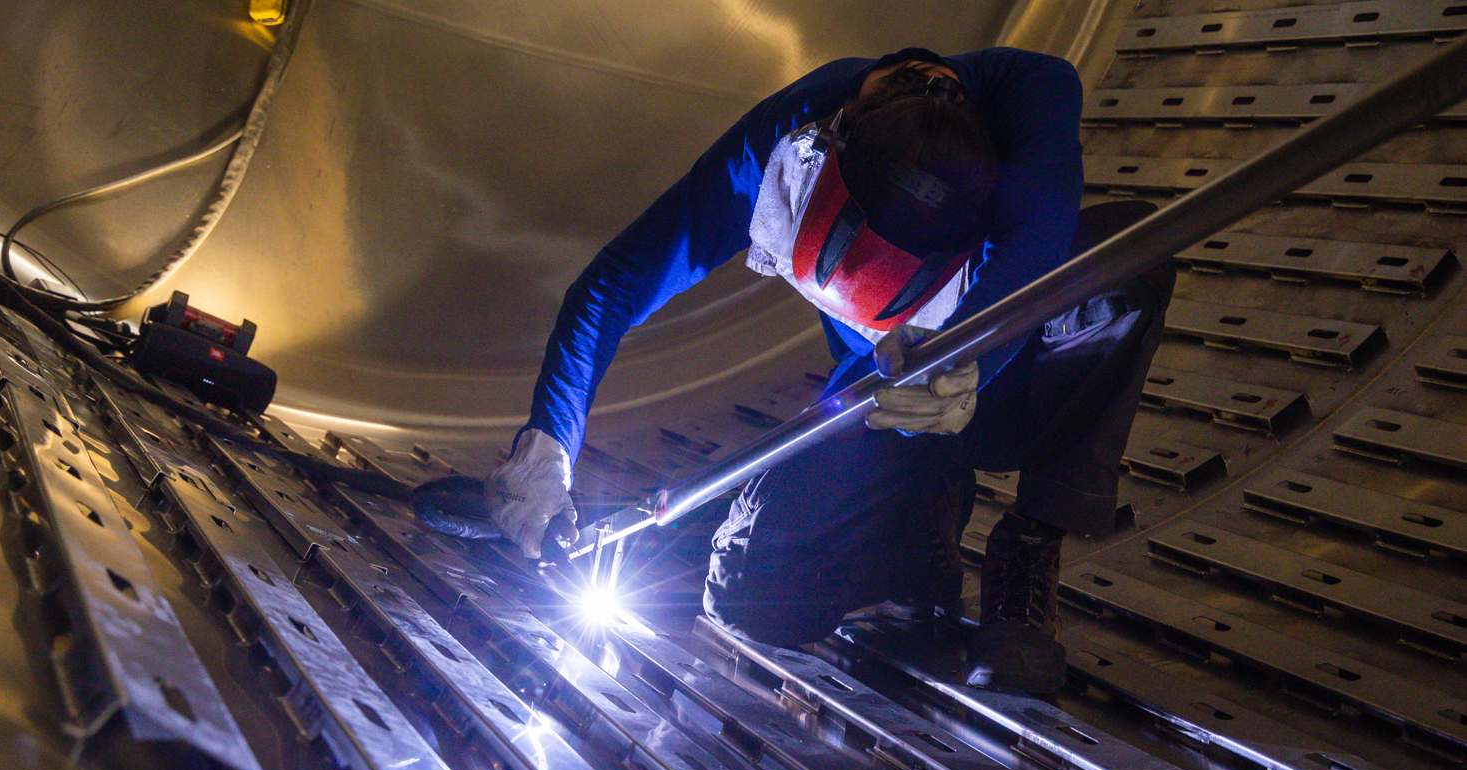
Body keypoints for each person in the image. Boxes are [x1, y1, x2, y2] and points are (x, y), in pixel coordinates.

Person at [478, 47, 1175, 693]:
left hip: (995, 378)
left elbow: (1040, 238)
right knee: (756, 596)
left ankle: (1027, 544)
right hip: (878, 399)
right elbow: (618, 283)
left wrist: (966, 360)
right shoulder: (786, 138)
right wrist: (549, 443)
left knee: (1127, 263)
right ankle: (915, 522)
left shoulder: (1032, 92)